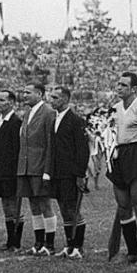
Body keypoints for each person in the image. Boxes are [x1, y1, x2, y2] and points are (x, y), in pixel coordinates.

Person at [108, 72, 137, 264]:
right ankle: (132, 252)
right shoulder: (115, 108)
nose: (119, 88)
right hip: (118, 156)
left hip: (136, 155)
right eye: (118, 84)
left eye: (124, 85)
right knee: (123, 206)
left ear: (134, 89)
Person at [48, 86, 90, 259]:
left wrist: (80, 174)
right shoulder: (54, 119)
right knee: (63, 207)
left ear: (65, 99)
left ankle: (77, 246)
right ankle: (69, 244)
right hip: (57, 171)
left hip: (70, 172)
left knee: (72, 208)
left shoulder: (75, 120)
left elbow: (82, 149)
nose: (52, 100)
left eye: (55, 97)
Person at [16, 82, 57, 255]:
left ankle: (50, 243)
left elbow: (50, 143)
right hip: (26, 166)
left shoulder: (48, 112)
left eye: (28, 92)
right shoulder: (27, 113)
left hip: (39, 165)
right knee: (33, 204)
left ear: (39, 94)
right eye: (24, 92)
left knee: (44, 203)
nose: (24, 95)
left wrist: (47, 169)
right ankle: (38, 242)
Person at [0, 90, 23, 251]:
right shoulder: (0, 120)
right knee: (6, 205)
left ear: (11, 103)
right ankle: (10, 241)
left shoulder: (15, 121)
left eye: (2, 100)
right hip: (0, 171)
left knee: (13, 206)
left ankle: (16, 241)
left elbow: (17, 149)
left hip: (11, 171)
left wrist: (15, 171)